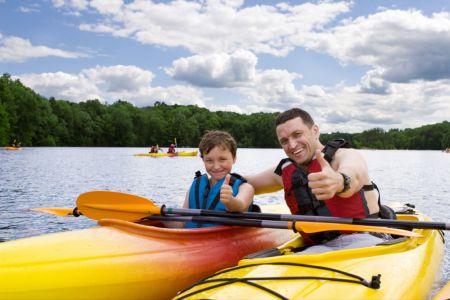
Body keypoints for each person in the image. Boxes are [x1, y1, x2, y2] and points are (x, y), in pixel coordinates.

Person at [246, 108, 393, 253]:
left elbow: (354, 175)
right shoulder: (284, 172)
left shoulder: (345, 156)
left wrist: (339, 181)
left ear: (315, 131)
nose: (292, 145)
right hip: (320, 249)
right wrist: (224, 170)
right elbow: (248, 183)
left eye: (297, 134)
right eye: (284, 141)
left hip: (366, 241)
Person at [168, 130, 255, 228]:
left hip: (226, 240)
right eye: (209, 161)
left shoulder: (246, 188)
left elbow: (240, 205)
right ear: (203, 160)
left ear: (234, 158)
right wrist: (160, 217)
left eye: (222, 159)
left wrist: (230, 201)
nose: (216, 166)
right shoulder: (194, 187)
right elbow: (182, 223)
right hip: (191, 240)